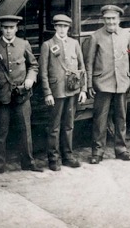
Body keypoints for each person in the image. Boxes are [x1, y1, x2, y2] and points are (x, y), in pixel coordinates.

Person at [0, 15, 41, 175]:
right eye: (5, 28)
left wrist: (30, 79)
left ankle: (28, 162)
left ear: (16, 28)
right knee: (0, 132)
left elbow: (33, 65)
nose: (8, 31)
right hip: (1, 97)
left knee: (25, 131)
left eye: (11, 28)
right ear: (1, 29)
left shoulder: (23, 44)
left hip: (22, 96)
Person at [85, 5, 130, 164]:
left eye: (113, 18)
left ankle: (121, 149)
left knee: (121, 118)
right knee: (100, 120)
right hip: (102, 84)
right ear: (103, 19)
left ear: (119, 19)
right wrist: (89, 85)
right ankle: (97, 151)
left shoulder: (127, 36)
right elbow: (90, 63)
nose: (110, 22)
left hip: (122, 83)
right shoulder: (96, 37)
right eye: (107, 19)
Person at [39, 14, 87, 171]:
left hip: (72, 91)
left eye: (65, 26)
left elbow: (81, 67)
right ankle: (53, 158)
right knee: (54, 126)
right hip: (56, 91)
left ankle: (68, 156)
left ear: (68, 28)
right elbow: (43, 72)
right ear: (55, 27)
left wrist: (83, 89)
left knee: (69, 125)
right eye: (59, 26)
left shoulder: (74, 43)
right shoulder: (47, 45)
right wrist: (47, 93)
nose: (62, 29)